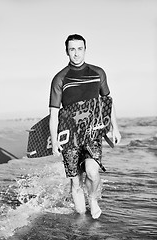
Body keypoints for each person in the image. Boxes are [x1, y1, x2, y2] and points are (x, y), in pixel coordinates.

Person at [49, 34, 121, 219]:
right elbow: (54, 114)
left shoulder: (97, 73)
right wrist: (55, 141)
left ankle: (93, 198)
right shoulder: (60, 78)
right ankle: (81, 220)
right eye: (72, 49)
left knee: (91, 171)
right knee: (75, 182)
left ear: (85, 49)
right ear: (67, 51)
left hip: (92, 132)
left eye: (79, 48)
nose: (76, 53)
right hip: (69, 135)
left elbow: (107, 103)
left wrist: (115, 127)